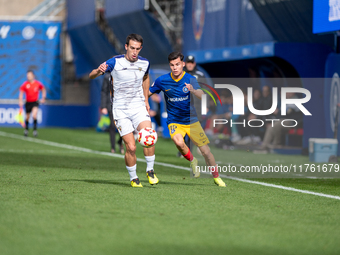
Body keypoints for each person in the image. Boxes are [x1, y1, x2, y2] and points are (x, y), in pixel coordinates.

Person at [149, 52, 226, 187]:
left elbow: (202, 95)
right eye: (172, 65)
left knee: (206, 152)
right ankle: (192, 160)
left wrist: (194, 91)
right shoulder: (162, 80)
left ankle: (216, 177)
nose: (175, 67)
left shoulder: (190, 79)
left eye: (177, 64)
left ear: (183, 64)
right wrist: (145, 102)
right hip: (174, 121)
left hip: (191, 120)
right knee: (178, 142)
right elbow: (148, 92)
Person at [89, 33, 157, 188]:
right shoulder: (115, 62)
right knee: (131, 147)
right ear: (126, 47)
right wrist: (99, 71)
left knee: (149, 135)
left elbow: (145, 78)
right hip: (121, 110)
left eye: (137, 49)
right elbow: (91, 75)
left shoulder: (145, 63)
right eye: (132, 48)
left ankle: (150, 170)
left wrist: (146, 99)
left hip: (138, 107)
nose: (134, 52)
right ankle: (134, 178)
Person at [100, 72, 124, 154]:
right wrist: (103, 106)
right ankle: (113, 147)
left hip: (122, 105)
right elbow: (104, 91)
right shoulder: (107, 77)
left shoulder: (123, 75)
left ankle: (120, 142)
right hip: (111, 105)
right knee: (112, 126)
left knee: (123, 126)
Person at [19, 70, 46, 137]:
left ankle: (34, 130)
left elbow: (43, 89)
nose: (28, 77)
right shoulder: (25, 84)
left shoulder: (37, 84)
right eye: (27, 75)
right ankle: (26, 129)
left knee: (34, 115)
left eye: (30, 75)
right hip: (28, 102)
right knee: (27, 117)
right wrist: (20, 101)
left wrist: (43, 98)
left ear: (33, 76)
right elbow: (21, 93)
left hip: (35, 102)